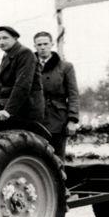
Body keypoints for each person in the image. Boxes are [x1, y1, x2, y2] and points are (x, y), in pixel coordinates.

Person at [0, 26, 45, 127]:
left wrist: (8, 111)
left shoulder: (25, 53)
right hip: (9, 101)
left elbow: (22, 86)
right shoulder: (7, 56)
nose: (1, 42)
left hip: (26, 106)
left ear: (15, 38)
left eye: (5, 38)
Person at [34, 31, 79, 159]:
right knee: (37, 158)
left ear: (51, 44)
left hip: (58, 119)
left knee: (57, 159)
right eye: (39, 44)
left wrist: (72, 120)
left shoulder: (65, 67)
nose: (42, 47)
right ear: (35, 46)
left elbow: (73, 94)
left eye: (45, 44)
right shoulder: (30, 66)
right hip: (35, 118)